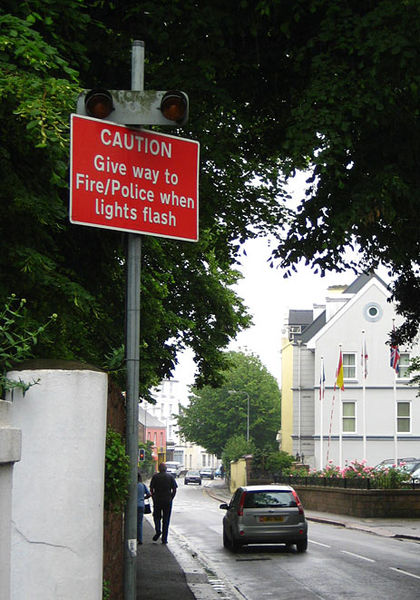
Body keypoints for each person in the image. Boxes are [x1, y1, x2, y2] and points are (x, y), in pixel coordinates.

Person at [150, 462, 177, 544]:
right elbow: (174, 489)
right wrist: (171, 497)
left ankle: (158, 530)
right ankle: (164, 539)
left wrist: (153, 497)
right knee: (166, 519)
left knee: (156, 517)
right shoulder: (170, 477)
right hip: (167, 500)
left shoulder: (155, 477)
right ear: (166, 469)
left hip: (157, 500)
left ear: (159, 469)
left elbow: (151, 489)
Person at [137, 472, 150, 545]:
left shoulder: (132, 485)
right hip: (141, 505)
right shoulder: (142, 485)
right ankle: (140, 539)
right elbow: (149, 494)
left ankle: (132, 537)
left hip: (133, 506)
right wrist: (143, 498)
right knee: (139, 523)